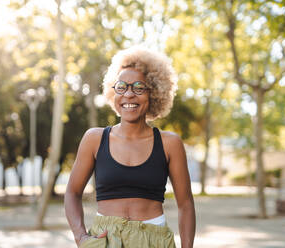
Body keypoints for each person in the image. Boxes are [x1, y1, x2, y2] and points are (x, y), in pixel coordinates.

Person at [65, 46, 195, 248]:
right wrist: (81, 237)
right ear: (113, 91)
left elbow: (186, 204)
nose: (129, 94)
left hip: (154, 240)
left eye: (138, 87)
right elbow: (72, 193)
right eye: (122, 87)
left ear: (154, 93)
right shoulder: (94, 139)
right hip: (105, 240)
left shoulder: (170, 144)